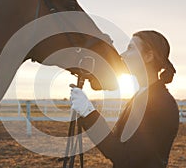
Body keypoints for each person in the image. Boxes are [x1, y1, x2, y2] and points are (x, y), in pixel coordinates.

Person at [70, 30, 179, 168]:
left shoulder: (161, 104)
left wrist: (89, 113)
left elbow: (126, 159)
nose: (122, 55)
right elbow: (116, 145)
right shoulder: (142, 97)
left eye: (130, 48)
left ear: (148, 56)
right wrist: (88, 115)